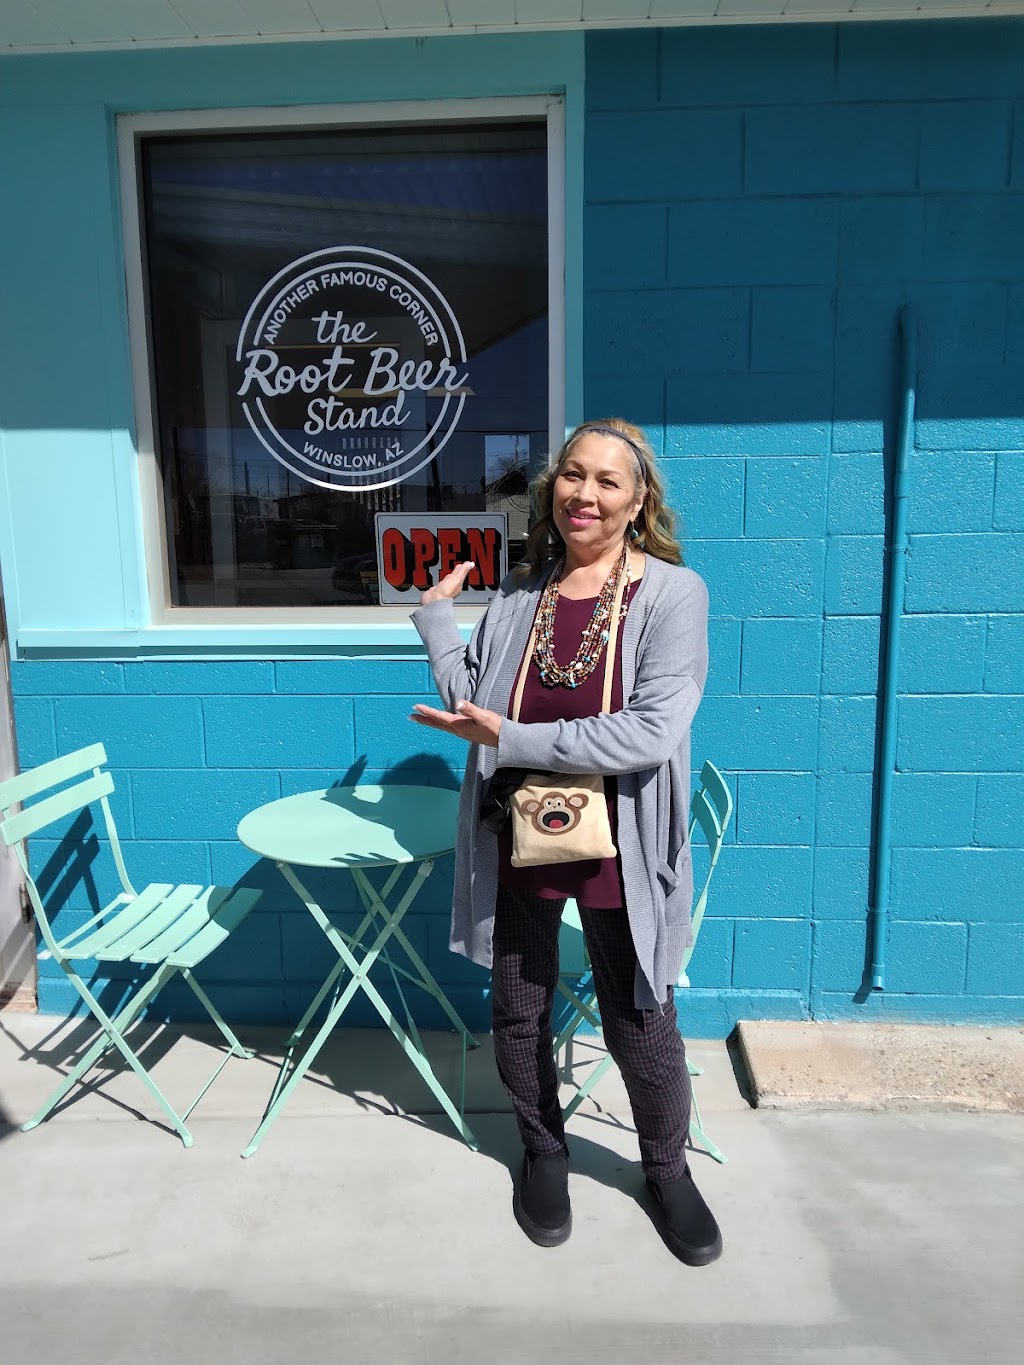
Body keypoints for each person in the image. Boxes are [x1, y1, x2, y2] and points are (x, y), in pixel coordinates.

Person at [409, 418, 721, 1267]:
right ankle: (544, 1151)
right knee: (519, 1002)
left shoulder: (671, 594)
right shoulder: (522, 595)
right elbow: (473, 698)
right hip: (522, 831)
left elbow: (649, 732)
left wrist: (507, 737)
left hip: (618, 838)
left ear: (637, 499)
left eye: (607, 481)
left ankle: (667, 1170)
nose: (584, 493)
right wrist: (438, 622)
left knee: (639, 1016)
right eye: (572, 475)